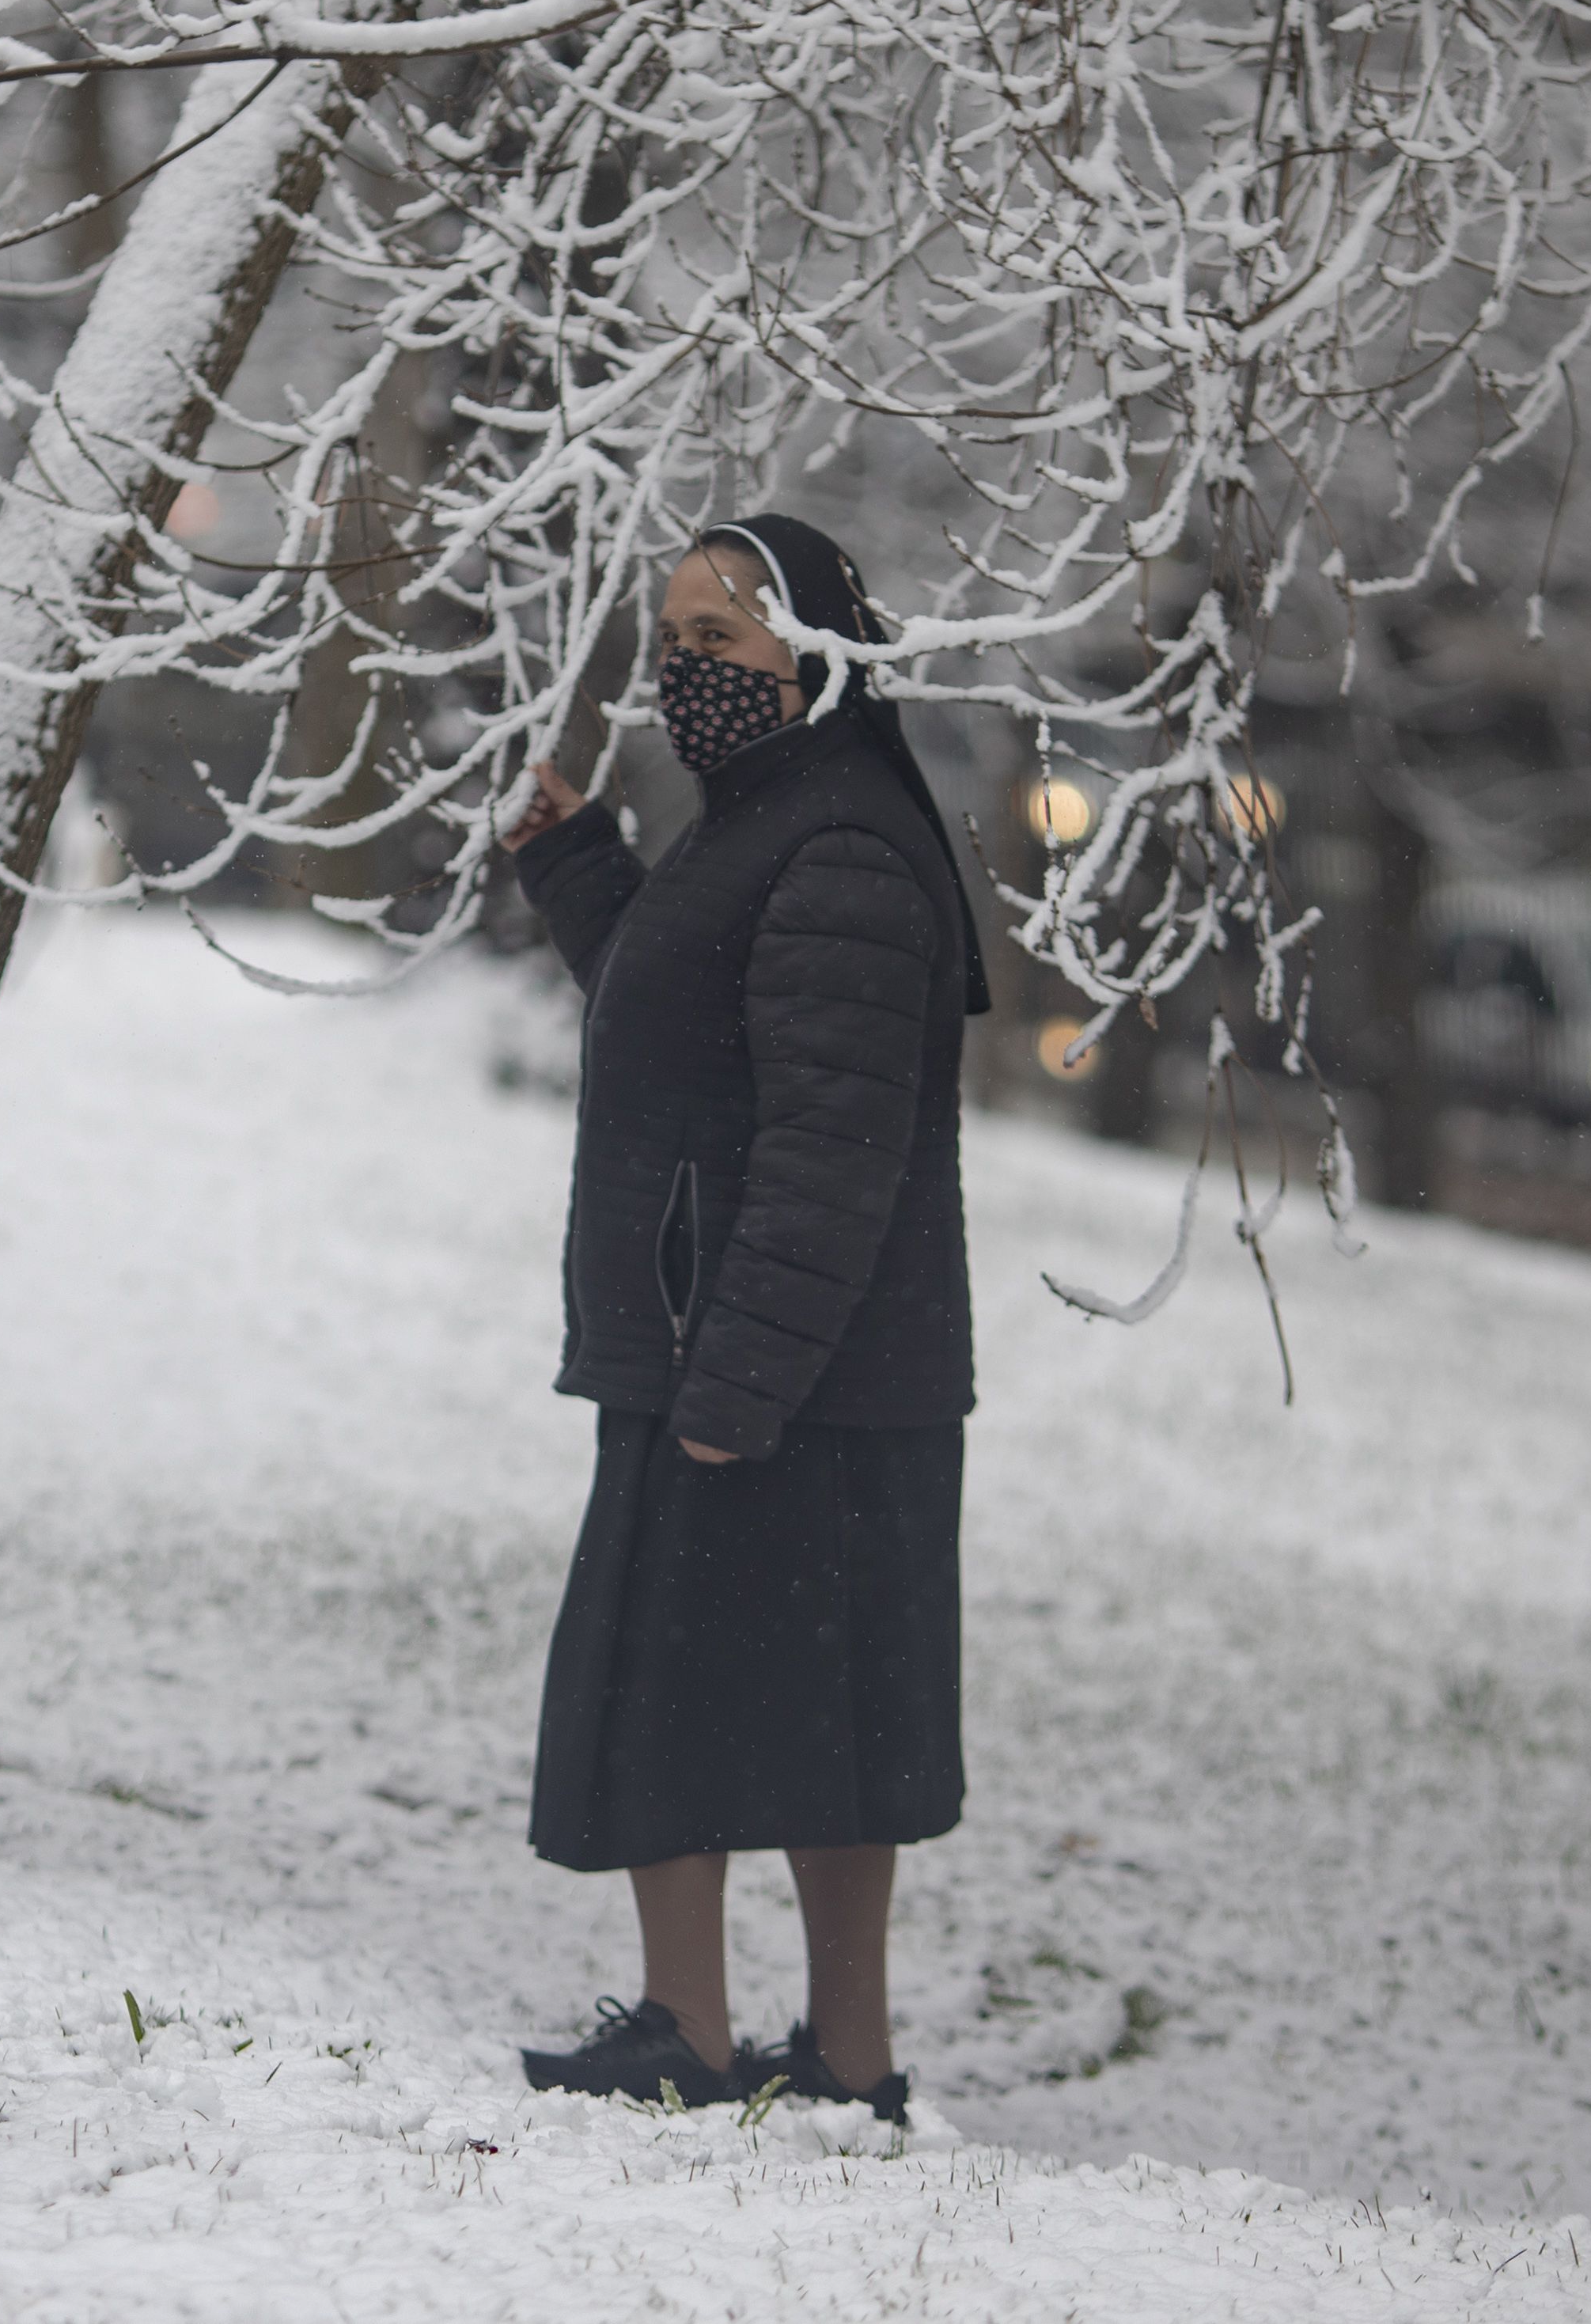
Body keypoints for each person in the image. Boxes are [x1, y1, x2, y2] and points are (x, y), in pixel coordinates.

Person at [501, 513, 990, 2126]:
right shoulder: (778, 819)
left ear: (817, 654)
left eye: (717, 637)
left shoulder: (837, 844)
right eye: (672, 639)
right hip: (798, 1354)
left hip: (775, 1359)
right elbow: (685, 1021)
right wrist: (578, 863)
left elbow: (831, 1145)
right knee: (827, 1717)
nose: (680, 669)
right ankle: (834, 2056)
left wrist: (740, 1376)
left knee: (691, 1703)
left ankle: (694, 2035)